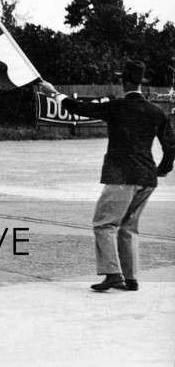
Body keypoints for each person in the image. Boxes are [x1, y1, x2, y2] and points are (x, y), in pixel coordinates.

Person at [39, 59, 175, 292]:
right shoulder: (157, 112)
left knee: (104, 224)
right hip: (146, 179)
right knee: (128, 227)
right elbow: (171, 145)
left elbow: (80, 109)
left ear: (123, 82)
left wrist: (54, 94)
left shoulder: (116, 106)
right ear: (141, 83)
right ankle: (130, 278)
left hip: (121, 177)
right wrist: (161, 169)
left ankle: (113, 274)